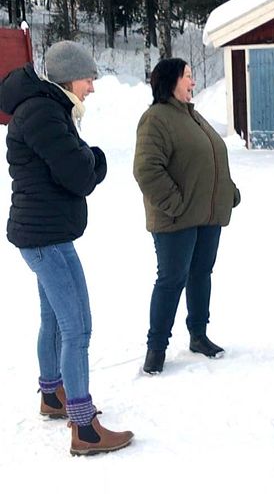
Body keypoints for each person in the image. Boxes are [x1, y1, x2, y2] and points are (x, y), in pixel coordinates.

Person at [0, 40, 134, 455]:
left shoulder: (46, 108)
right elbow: (78, 173)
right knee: (78, 326)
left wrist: (84, 158)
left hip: (44, 233)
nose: (92, 86)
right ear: (69, 76)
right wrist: (96, 158)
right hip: (47, 239)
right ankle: (84, 427)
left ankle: (52, 394)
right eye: (89, 77)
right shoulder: (44, 112)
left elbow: (70, 166)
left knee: (55, 319)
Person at [133, 58, 240, 375]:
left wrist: (227, 191)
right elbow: (147, 169)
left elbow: (210, 158)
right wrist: (175, 204)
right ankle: (157, 348)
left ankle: (199, 334)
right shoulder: (156, 119)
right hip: (175, 219)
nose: (193, 82)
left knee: (200, 274)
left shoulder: (191, 115)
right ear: (171, 81)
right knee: (171, 280)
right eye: (188, 77)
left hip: (206, 217)